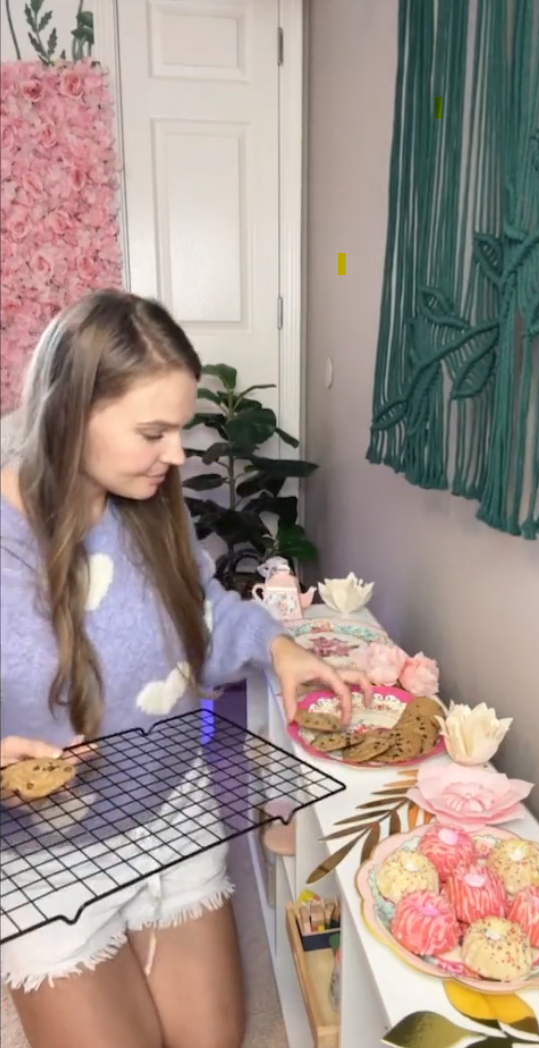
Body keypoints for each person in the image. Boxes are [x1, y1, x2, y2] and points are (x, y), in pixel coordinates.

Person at [0, 290, 371, 1048]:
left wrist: (278, 645)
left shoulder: (148, 506)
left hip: (173, 809)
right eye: (154, 431)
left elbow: (202, 614)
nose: (177, 455)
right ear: (71, 411)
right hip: (43, 853)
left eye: (181, 428)